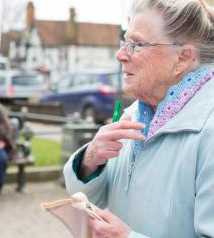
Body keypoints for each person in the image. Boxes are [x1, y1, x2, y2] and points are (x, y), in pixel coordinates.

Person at [63, 0, 214, 237]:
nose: (120, 54)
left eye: (137, 44)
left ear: (183, 58)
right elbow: (94, 199)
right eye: (125, 42)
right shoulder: (135, 113)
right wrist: (90, 160)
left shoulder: (208, 129)